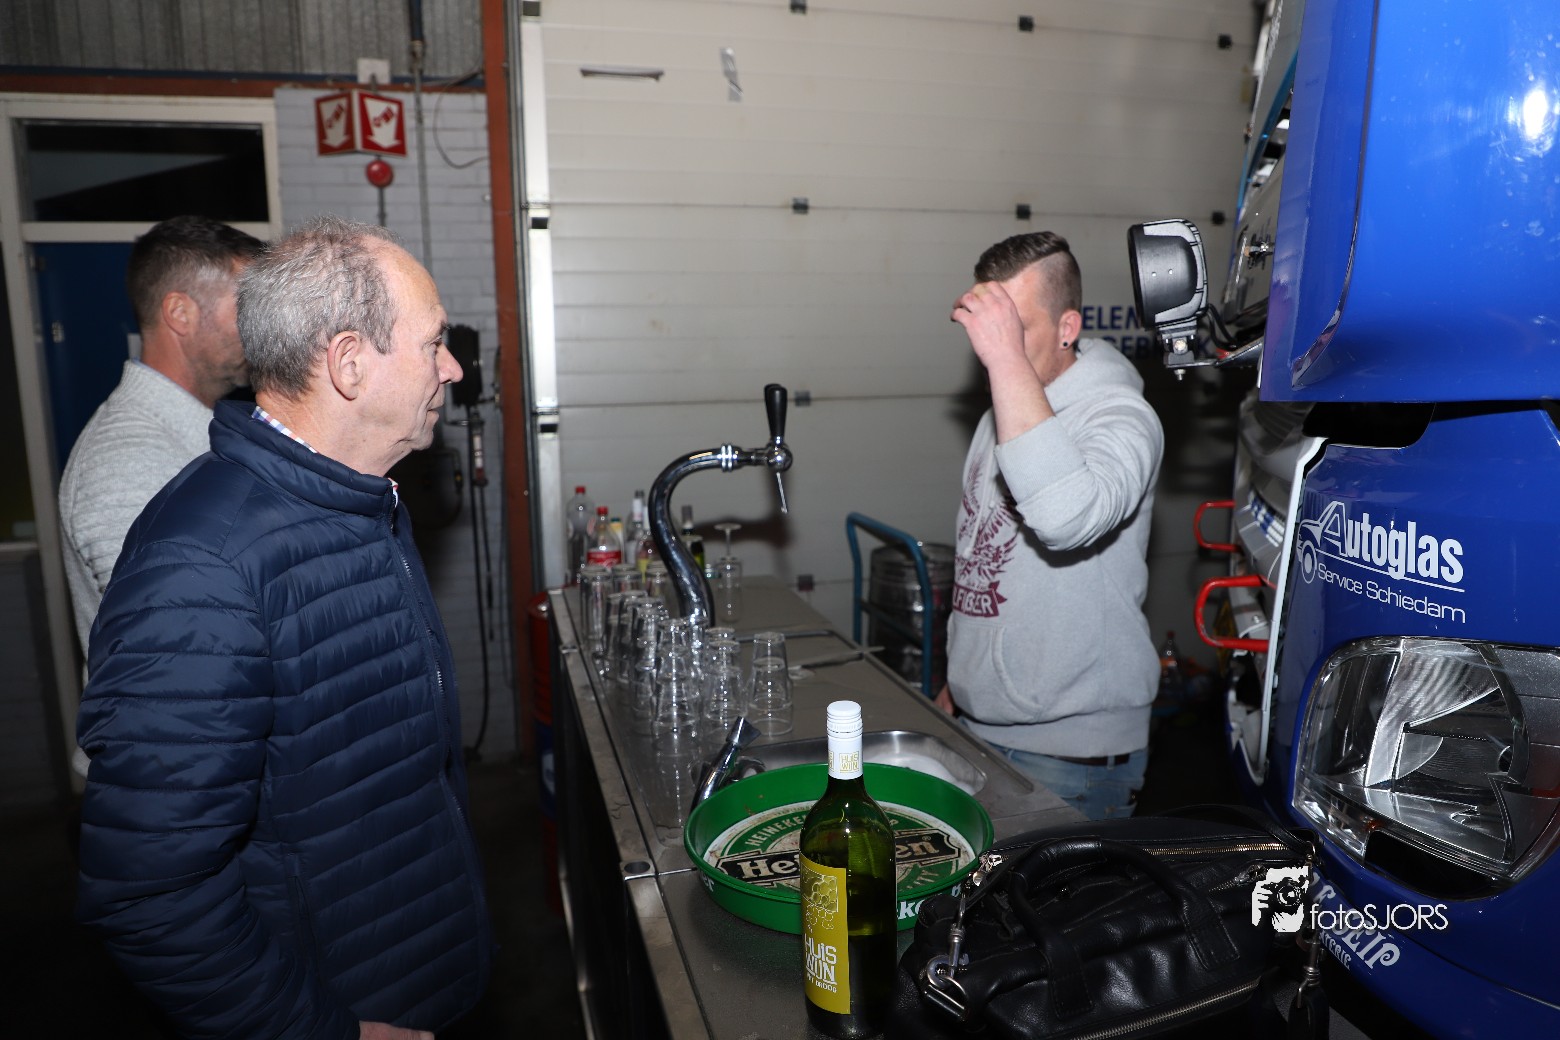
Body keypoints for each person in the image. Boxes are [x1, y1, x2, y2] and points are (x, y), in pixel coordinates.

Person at [74, 215, 491, 1040]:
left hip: (414, 966)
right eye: (434, 343)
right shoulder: (203, 565)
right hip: (341, 1003)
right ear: (347, 364)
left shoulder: (356, 502)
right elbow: (151, 893)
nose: (451, 368)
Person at [938, 231, 1163, 820]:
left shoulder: (1122, 417)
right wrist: (963, 679)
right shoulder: (1002, 411)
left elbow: (1066, 518)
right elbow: (984, 555)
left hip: (1071, 756)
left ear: (1068, 328)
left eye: (1013, 328)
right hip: (984, 726)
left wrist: (1006, 360)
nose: (992, 348)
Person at [58, 215, 264, 650]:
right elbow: (181, 647)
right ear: (180, 313)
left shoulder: (211, 428)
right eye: (247, 309)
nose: (261, 329)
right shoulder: (126, 461)